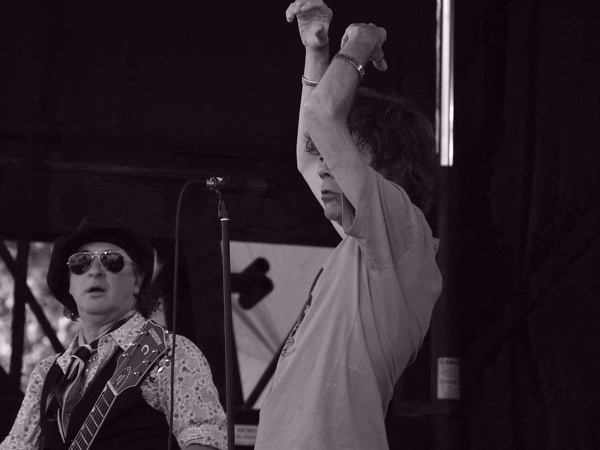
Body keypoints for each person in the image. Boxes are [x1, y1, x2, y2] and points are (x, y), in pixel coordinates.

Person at [254, 1, 443, 449]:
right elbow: (309, 155)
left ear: (390, 166)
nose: (325, 166)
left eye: (342, 152)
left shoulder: (403, 231)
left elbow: (322, 118)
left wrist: (359, 43)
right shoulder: (365, 246)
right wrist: (316, 53)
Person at [0, 219, 227, 450]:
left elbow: (205, 438)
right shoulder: (46, 372)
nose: (95, 271)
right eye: (80, 263)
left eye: (111, 261)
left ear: (137, 280)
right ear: (69, 283)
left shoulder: (168, 353)